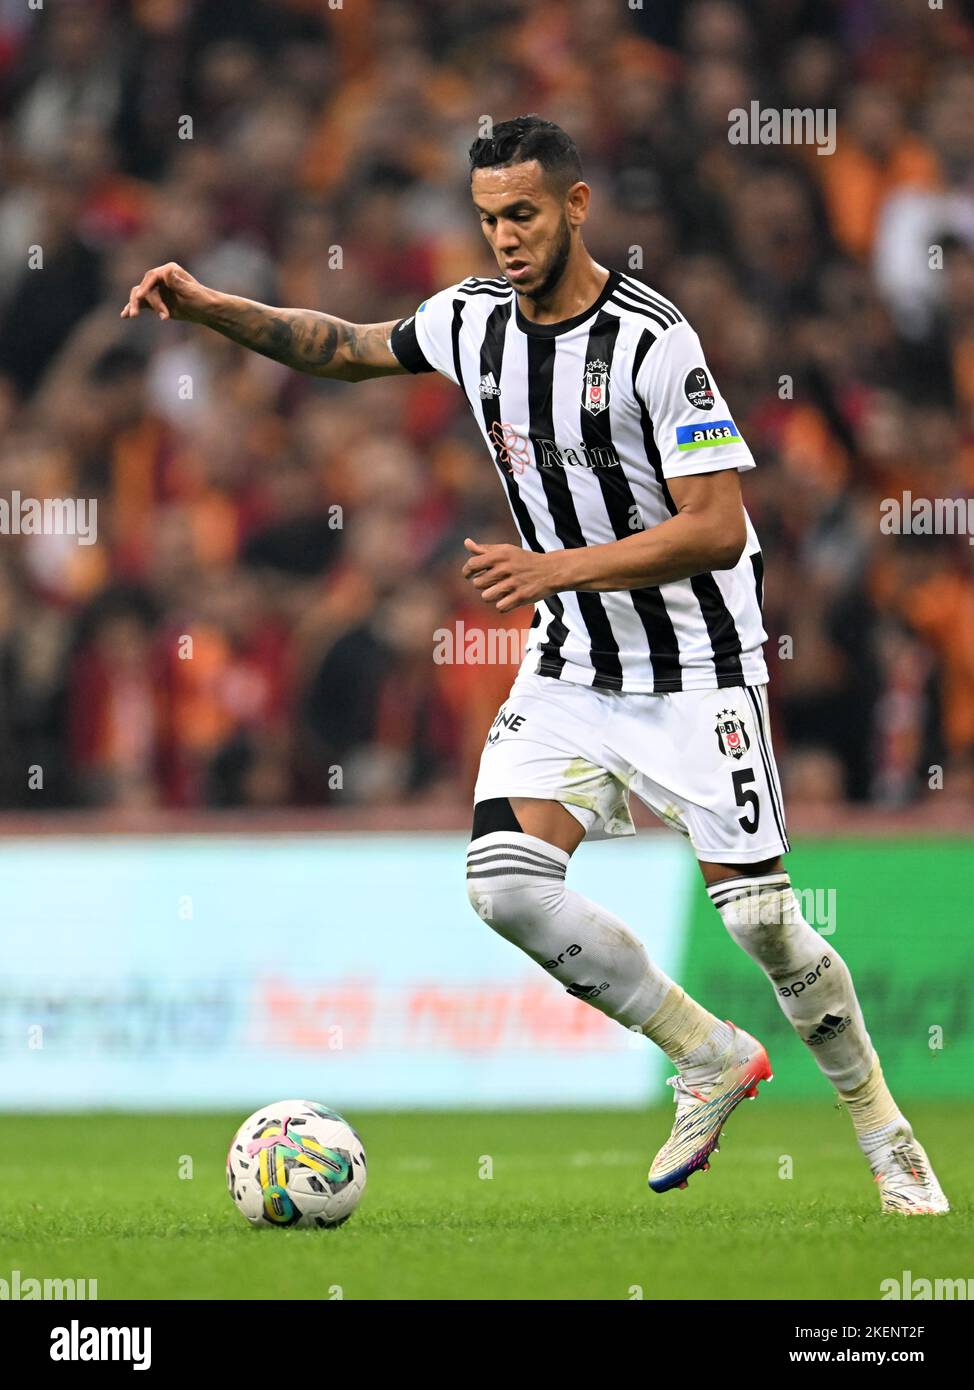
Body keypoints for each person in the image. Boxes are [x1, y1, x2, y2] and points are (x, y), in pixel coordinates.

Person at [122, 114, 948, 1213]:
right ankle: (703, 1052)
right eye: (485, 218)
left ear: (574, 207)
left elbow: (712, 526)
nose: (502, 238)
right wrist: (211, 307)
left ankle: (885, 1136)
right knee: (504, 885)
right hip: (571, 667)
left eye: (520, 214)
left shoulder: (657, 344)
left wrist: (554, 568)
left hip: (697, 665)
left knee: (760, 921)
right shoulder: (469, 322)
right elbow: (345, 344)